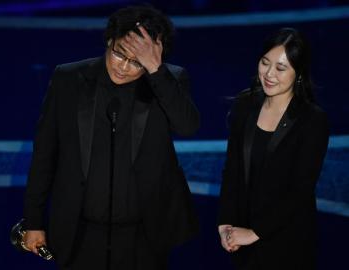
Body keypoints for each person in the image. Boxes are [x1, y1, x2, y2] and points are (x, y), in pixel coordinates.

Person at [22, 5, 200, 270]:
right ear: (109, 40)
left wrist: (154, 70)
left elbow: (187, 127)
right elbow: (45, 153)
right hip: (80, 232)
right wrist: (33, 221)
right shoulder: (69, 78)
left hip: (143, 234)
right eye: (119, 54)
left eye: (137, 62)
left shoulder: (168, 80)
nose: (125, 67)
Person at [217, 28, 329, 270]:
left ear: (298, 74)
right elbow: (232, 168)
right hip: (242, 240)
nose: (268, 74)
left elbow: (300, 190)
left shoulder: (312, 120)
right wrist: (225, 222)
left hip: (288, 241)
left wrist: (256, 232)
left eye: (280, 68)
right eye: (265, 63)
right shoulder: (245, 105)